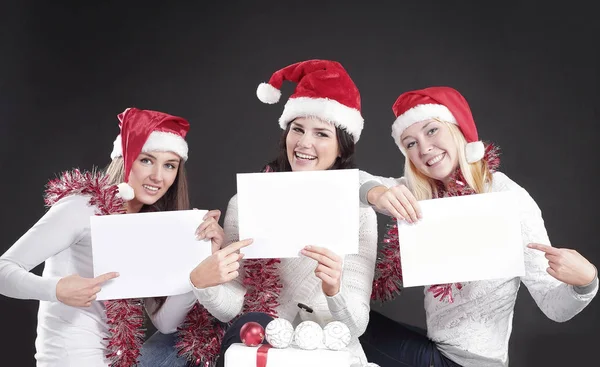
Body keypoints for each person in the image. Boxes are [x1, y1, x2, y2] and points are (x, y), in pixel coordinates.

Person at [356, 86, 598, 367]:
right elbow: (349, 183)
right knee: (340, 318)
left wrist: (585, 283)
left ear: (457, 130)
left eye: (432, 130)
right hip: (439, 348)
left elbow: (553, 305)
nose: (424, 148)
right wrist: (375, 192)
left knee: (343, 326)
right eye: (410, 143)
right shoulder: (423, 194)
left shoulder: (507, 197)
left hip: (468, 363)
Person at [187, 59, 379, 367]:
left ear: (342, 147)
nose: (304, 143)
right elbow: (235, 311)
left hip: (330, 354)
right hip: (263, 350)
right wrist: (203, 281)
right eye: (297, 129)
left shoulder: (358, 212)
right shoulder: (247, 202)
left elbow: (356, 324)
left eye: (321, 134)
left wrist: (334, 289)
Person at [0, 108, 215, 367]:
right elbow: (3, 270)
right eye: (146, 160)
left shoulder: (150, 226)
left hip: (120, 360)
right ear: (125, 159)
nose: (158, 176)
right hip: (72, 360)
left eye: (169, 165)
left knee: (201, 336)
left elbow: (165, 324)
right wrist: (56, 290)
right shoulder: (81, 207)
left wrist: (198, 270)